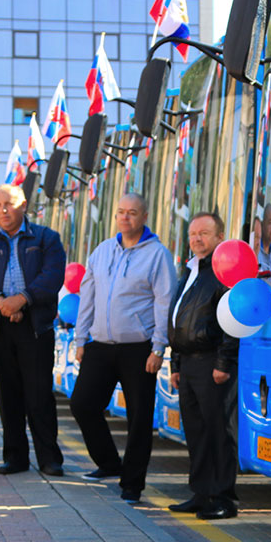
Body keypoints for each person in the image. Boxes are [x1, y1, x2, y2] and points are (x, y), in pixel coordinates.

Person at [72, 193, 176, 503]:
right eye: (120, 212)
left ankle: (132, 484)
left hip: (139, 350)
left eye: (132, 213)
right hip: (100, 346)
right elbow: (87, 297)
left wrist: (158, 348)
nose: (125, 217)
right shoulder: (102, 251)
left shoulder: (157, 255)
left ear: (144, 216)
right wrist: (80, 340)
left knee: (139, 418)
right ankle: (108, 463)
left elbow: (164, 302)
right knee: (82, 404)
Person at [0, 183, 66, 477]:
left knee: (39, 395)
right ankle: (15, 457)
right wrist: (1, 303)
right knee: (7, 394)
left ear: (24, 205)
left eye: (8, 204)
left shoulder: (46, 238)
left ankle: (50, 458)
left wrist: (22, 300)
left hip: (35, 326)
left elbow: (52, 276)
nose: (3, 210)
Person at [165, 212, 240, 519]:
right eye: (193, 233)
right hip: (189, 363)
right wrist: (175, 363)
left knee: (219, 431)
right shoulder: (190, 270)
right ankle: (200, 493)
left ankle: (223, 498)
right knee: (195, 430)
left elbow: (232, 320)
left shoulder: (223, 271)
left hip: (213, 363)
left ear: (219, 237)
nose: (196, 239)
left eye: (204, 234)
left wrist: (224, 362)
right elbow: (179, 320)